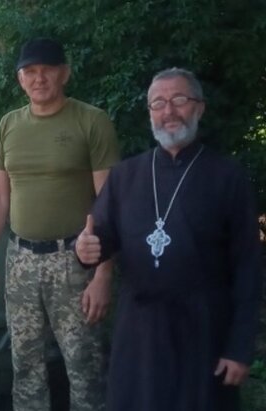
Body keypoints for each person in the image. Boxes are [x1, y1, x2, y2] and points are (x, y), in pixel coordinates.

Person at [75, 67, 262, 411]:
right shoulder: (125, 175)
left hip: (203, 332)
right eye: (158, 103)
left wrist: (239, 347)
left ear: (199, 107)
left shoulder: (227, 176)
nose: (169, 111)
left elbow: (248, 268)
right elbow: (99, 238)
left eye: (179, 99)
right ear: (150, 113)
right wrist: (84, 249)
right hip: (140, 334)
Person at [0, 37, 120, 411]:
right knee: (25, 367)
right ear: (20, 79)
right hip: (20, 260)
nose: (38, 78)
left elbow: (110, 202)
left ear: (64, 74)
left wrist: (103, 275)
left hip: (75, 261)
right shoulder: (9, 124)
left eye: (47, 70)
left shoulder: (91, 121)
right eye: (30, 71)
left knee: (84, 366)